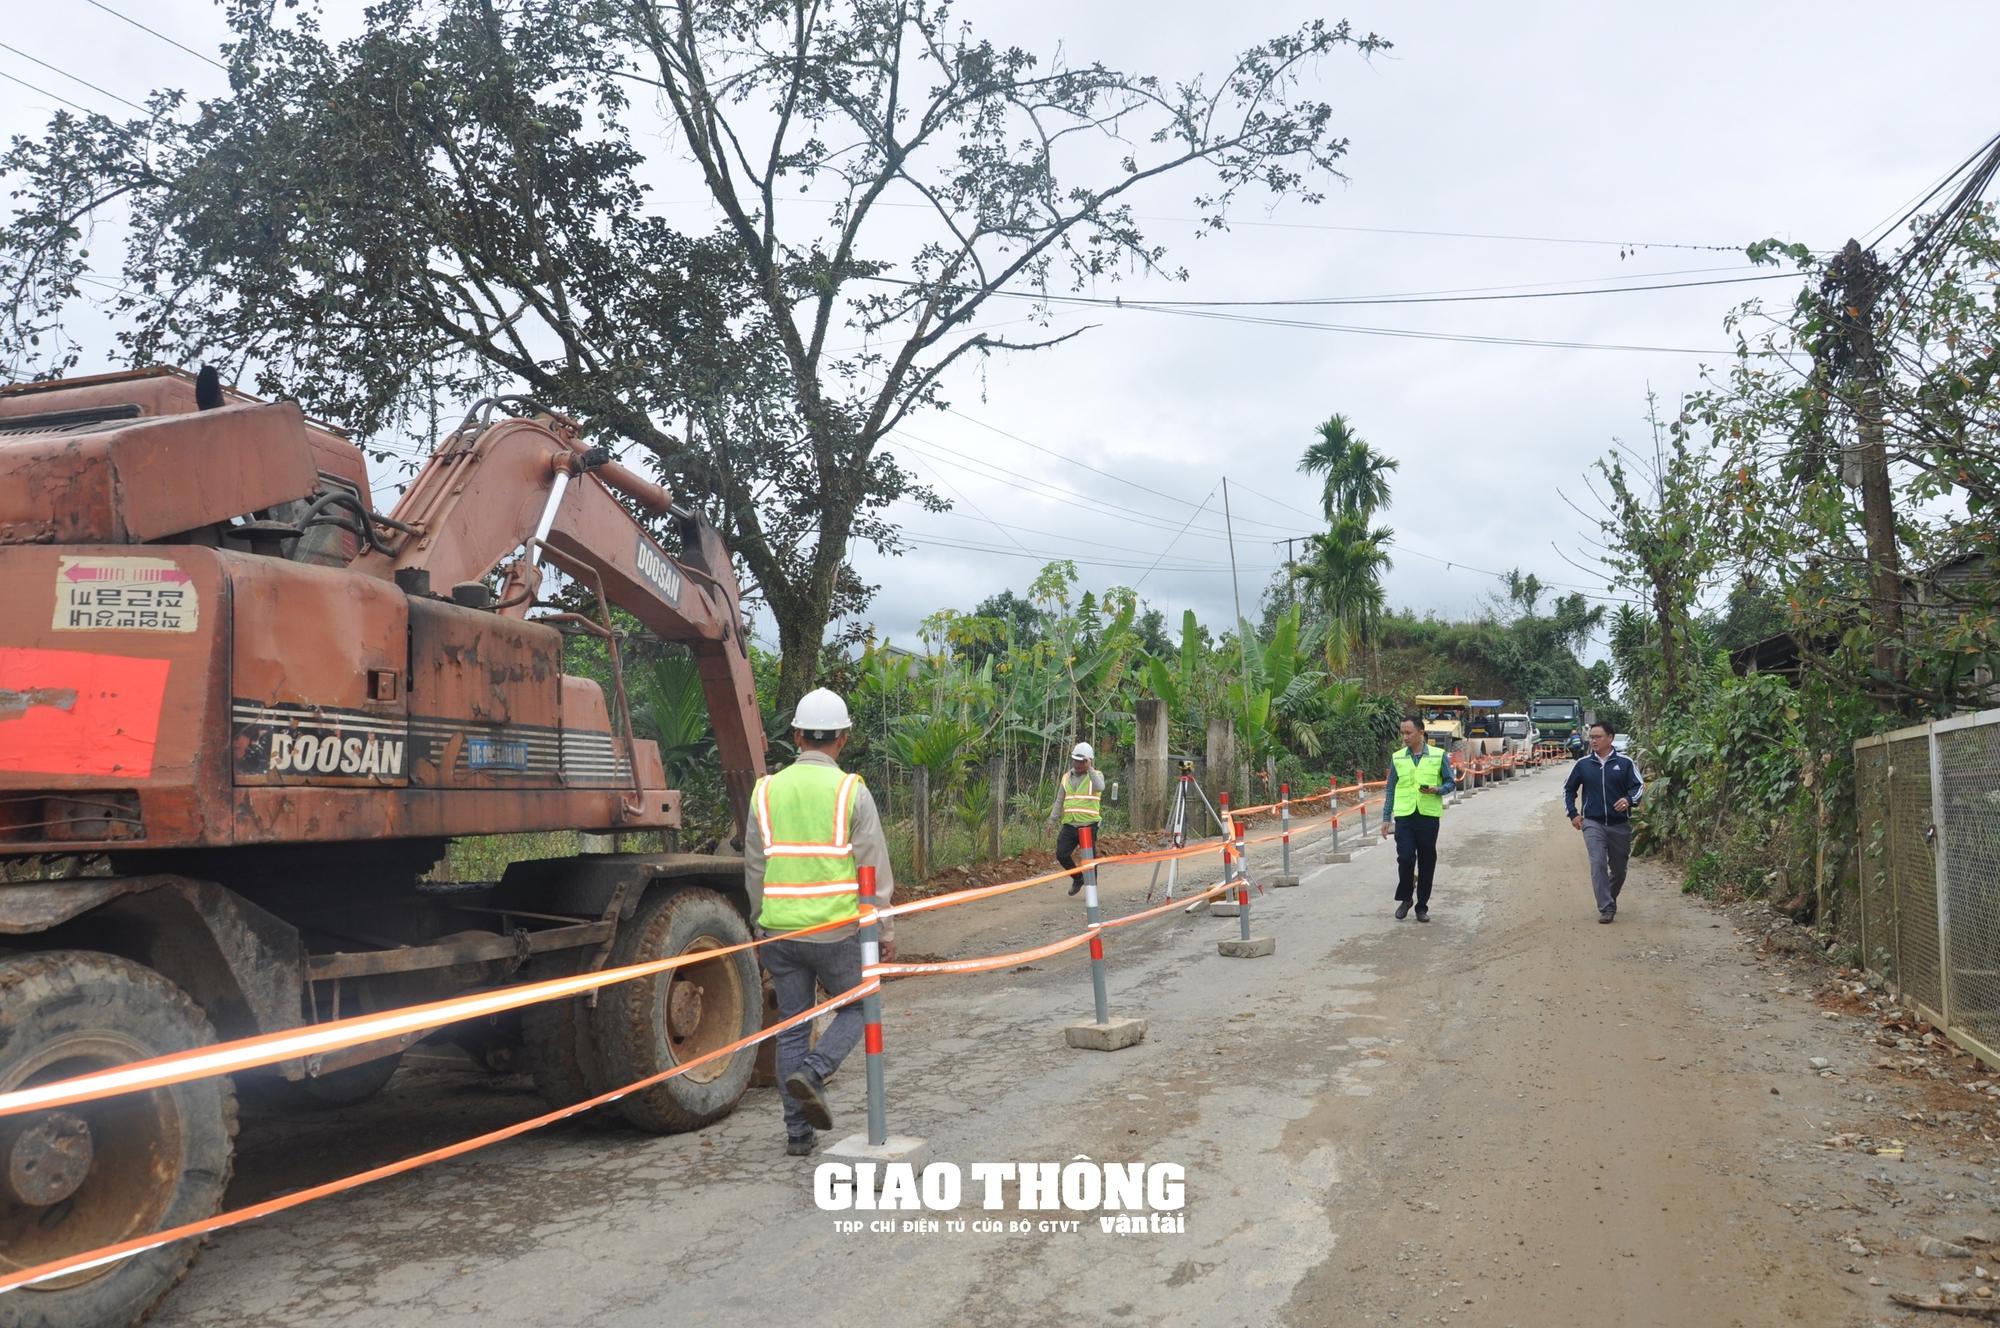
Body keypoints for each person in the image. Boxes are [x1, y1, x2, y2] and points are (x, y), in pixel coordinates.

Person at [743, 687, 895, 1157]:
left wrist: (758, 925)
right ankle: (815, 1070)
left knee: (792, 1023)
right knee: (859, 1008)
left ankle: (797, 1134)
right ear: (843, 739)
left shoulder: (766, 790)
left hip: (779, 931)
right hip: (834, 931)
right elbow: (875, 865)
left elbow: (754, 867)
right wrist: (885, 928)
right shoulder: (852, 790)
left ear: (796, 737)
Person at [1564, 720, 1644, 922]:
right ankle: (1606, 908)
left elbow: (1638, 787)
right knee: (1597, 863)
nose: (1594, 740)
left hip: (1619, 825)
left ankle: (1609, 897)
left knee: (1619, 869)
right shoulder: (1583, 764)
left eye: (1598, 737)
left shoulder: (1625, 763)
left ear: (1610, 738)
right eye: (1592, 737)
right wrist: (1573, 813)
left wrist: (1628, 800)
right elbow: (1569, 789)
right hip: (1592, 823)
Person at [1378, 716, 1456, 921]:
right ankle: (1406, 899)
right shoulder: (1397, 757)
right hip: (1404, 816)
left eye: (1408, 733)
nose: (1404, 737)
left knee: (1427, 861)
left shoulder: (1439, 756)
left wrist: (1437, 789)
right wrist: (1386, 817)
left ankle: (1422, 907)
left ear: (1421, 733)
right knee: (1405, 858)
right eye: (1402, 733)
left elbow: (1451, 782)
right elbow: (1391, 789)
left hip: (1428, 817)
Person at [1047, 742, 1104, 897]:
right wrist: (1052, 820)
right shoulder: (1066, 777)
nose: (1078, 764)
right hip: (1070, 824)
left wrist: (1090, 768)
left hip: (1087, 825)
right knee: (1061, 854)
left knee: (1089, 859)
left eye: (1082, 761)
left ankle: (1092, 891)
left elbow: (1100, 787)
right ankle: (1078, 878)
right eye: (1076, 761)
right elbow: (1059, 800)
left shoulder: (1095, 775)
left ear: (1089, 761)